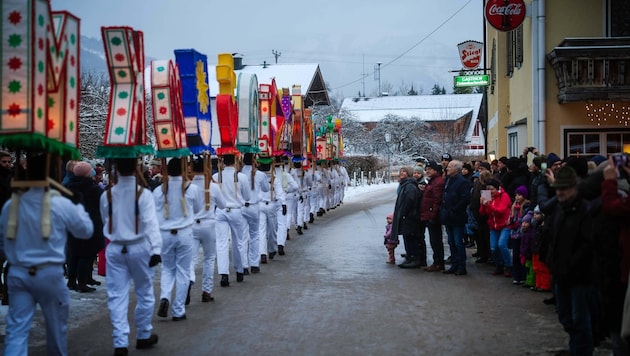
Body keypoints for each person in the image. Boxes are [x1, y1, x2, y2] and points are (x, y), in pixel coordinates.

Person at [0, 153, 93, 355]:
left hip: (18, 272)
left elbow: (4, 241)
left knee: (17, 330)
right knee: (56, 330)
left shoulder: (11, 205)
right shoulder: (61, 204)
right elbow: (85, 231)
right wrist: (78, 205)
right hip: (48, 272)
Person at [100, 158, 162, 355]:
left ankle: (120, 341)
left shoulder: (107, 195)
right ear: (136, 168)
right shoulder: (143, 194)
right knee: (144, 292)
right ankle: (143, 334)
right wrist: (156, 249)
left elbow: (105, 219)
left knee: (117, 295)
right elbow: (151, 223)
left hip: (116, 247)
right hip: (139, 246)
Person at [545, 166, 596, 355]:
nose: (559, 192)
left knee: (580, 318)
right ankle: (576, 347)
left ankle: (581, 351)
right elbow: (553, 237)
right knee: (566, 317)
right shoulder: (560, 208)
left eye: (563, 189)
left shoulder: (585, 211)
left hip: (580, 276)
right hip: (560, 273)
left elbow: (587, 245)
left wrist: (569, 265)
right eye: (557, 188)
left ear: (574, 188)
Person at [154, 158, 203, 321]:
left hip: (165, 234)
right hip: (184, 232)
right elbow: (197, 209)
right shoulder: (192, 188)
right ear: (184, 169)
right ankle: (178, 309)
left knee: (168, 268)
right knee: (183, 271)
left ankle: (165, 296)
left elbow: (155, 213)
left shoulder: (159, 190)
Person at [188, 157, 225, 303]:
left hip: (191, 224)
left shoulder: (188, 185)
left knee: (191, 259)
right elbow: (222, 205)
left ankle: (188, 281)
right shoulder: (213, 186)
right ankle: (206, 290)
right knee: (209, 258)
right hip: (208, 224)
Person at [65, 161, 105, 293]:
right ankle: (82, 281)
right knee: (86, 254)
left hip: (72, 224)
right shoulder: (93, 189)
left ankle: (72, 281)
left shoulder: (68, 186)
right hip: (90, 224)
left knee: (74, 253)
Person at [212, 154, 251, 287]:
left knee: (221, 243)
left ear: (222, 162)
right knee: (238, 241)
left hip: (221, 211)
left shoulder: (217, 176)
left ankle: (224, 274)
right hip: (236, 210)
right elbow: (247, 196)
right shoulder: (242, 177)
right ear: (235, 161)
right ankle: (239, 270)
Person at [440, 160, 471, 275]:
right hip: (448, 216)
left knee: (458, 242)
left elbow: (464, 199)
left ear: (457, 169)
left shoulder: (462, 182)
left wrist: (454, 210)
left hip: (457, 216)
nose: (447, 168)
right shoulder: (448, 180)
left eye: (450, 167)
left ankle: (461, 266)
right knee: (451, 242)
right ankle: (454, 263)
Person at [240, 153, 269, 274]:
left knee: (242, 237)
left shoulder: (238, 174)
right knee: (255, 236)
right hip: (254, 207)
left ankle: (244, 266)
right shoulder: (260, 175)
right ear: (254, 160)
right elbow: (266, 189)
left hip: (241, 207)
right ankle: (254, 264)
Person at [480, 179, 513, 277]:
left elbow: (501, 211)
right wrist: (482, 204)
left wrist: (488, 205)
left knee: (501, 244)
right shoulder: (488, 196)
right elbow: (482, 212)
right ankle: (499, 265)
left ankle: (508, 265)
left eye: (492, 189)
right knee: (493, 247)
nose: (490, 192)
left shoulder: (504, 196)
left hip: (504, 224)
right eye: (488, 189)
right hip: (493, 225)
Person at [392, 166, 423, 269]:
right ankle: (410, 256)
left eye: (404, 172)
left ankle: (414, 258)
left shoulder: (409, 186)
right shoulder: (405, 184)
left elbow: (410, 200)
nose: (401, 173)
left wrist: (404, 212)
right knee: (407, 236)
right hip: (407, 215)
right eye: (400, 171)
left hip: (410, 216)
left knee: (410, 237)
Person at [420, 160, 445, 272]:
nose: (427, 171)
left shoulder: (437, 182)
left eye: (430, 169)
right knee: (434, 240)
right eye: (426, 169)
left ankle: (438, 262)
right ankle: (437, 261)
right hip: (429, 214)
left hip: (433, 215)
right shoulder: (432, 181)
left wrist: (433, 216)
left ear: (435, 170)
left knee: (436, 240)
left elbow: (437, 200)